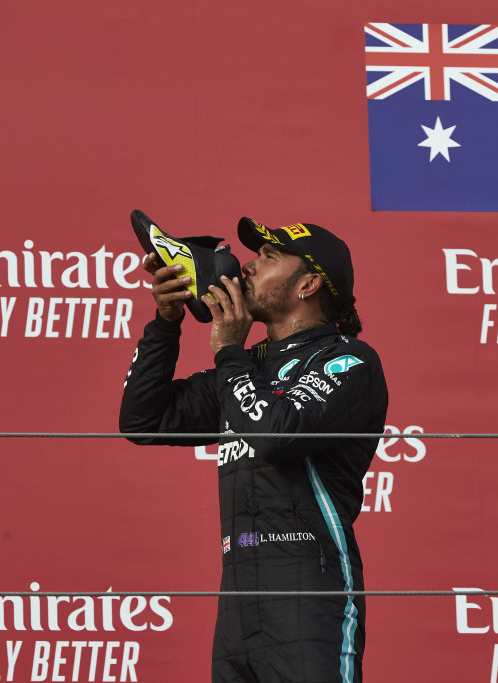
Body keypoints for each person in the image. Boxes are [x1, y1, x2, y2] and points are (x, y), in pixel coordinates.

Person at [120, 217, 389, 683]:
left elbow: (276, 435)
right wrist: (167, 323)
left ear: (308, 283)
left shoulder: (349, 359)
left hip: (308, 591)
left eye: (267, 258)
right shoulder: (248, 367)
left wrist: (228, 351)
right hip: (237, 599)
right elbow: (143, 419)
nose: (247, 266)